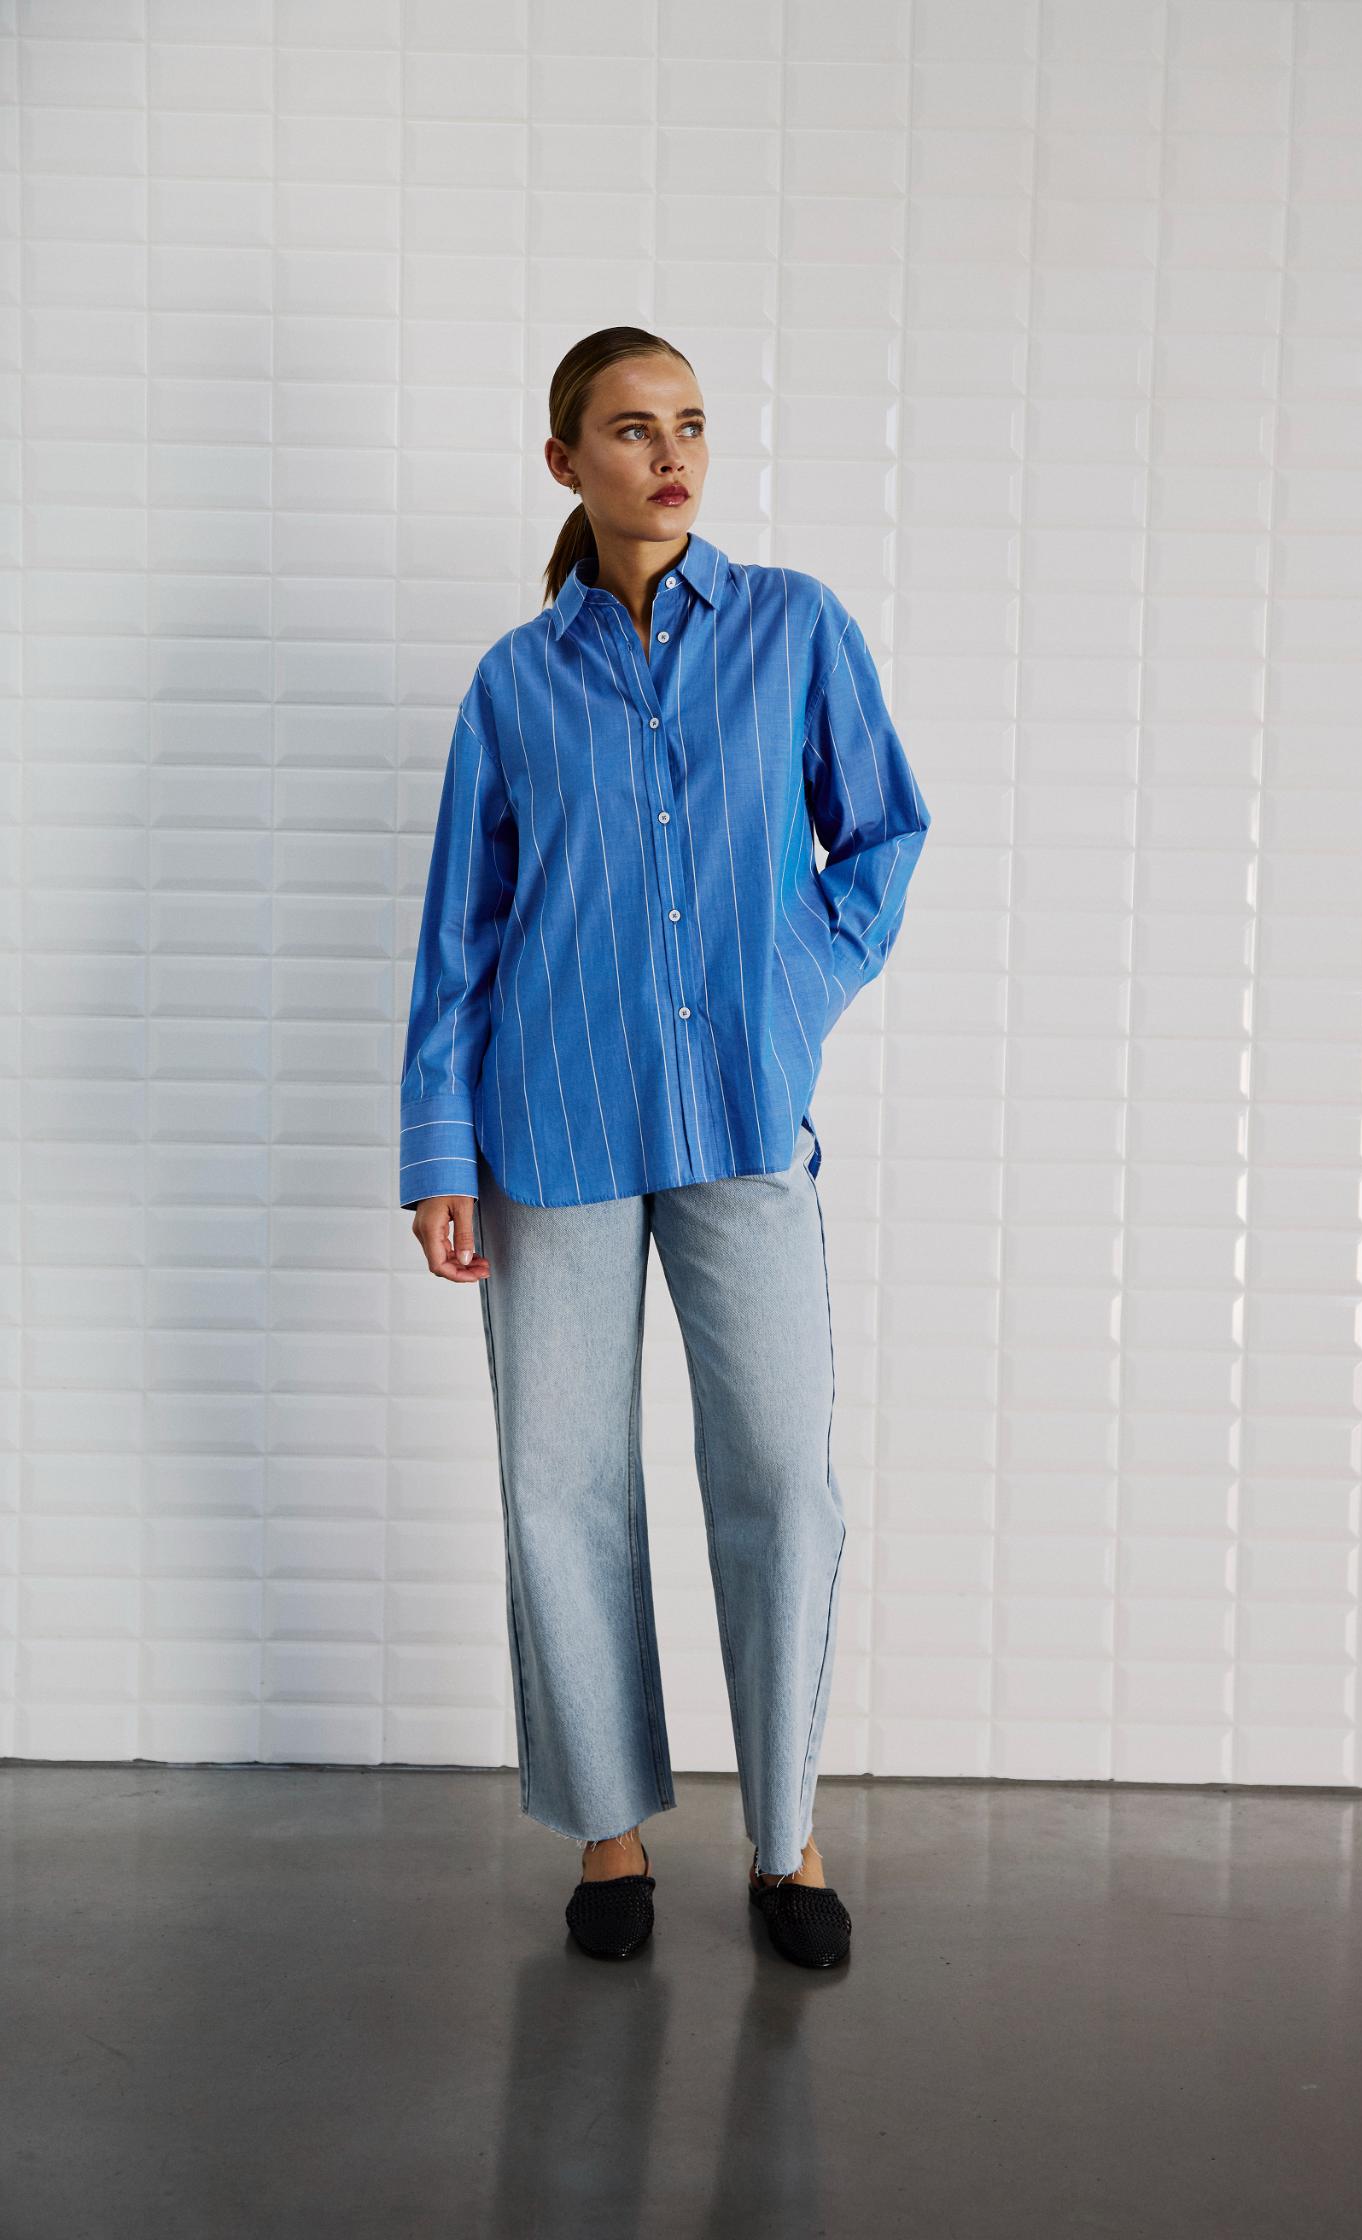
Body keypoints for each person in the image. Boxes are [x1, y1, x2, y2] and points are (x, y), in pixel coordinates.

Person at [397, 324, 932, 1967]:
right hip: (546, 1124)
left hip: (739, 1120)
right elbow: (461, 932)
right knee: (560, 1489)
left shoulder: (793, 627)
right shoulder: (515, 681)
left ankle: (786, 1835)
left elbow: (882, 834)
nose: (671, 453)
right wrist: (438, 1147)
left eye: (688, 423)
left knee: (778, 1478)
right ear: (568, 462)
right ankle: (609, 1833)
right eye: (632, 429)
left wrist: (792, 987)